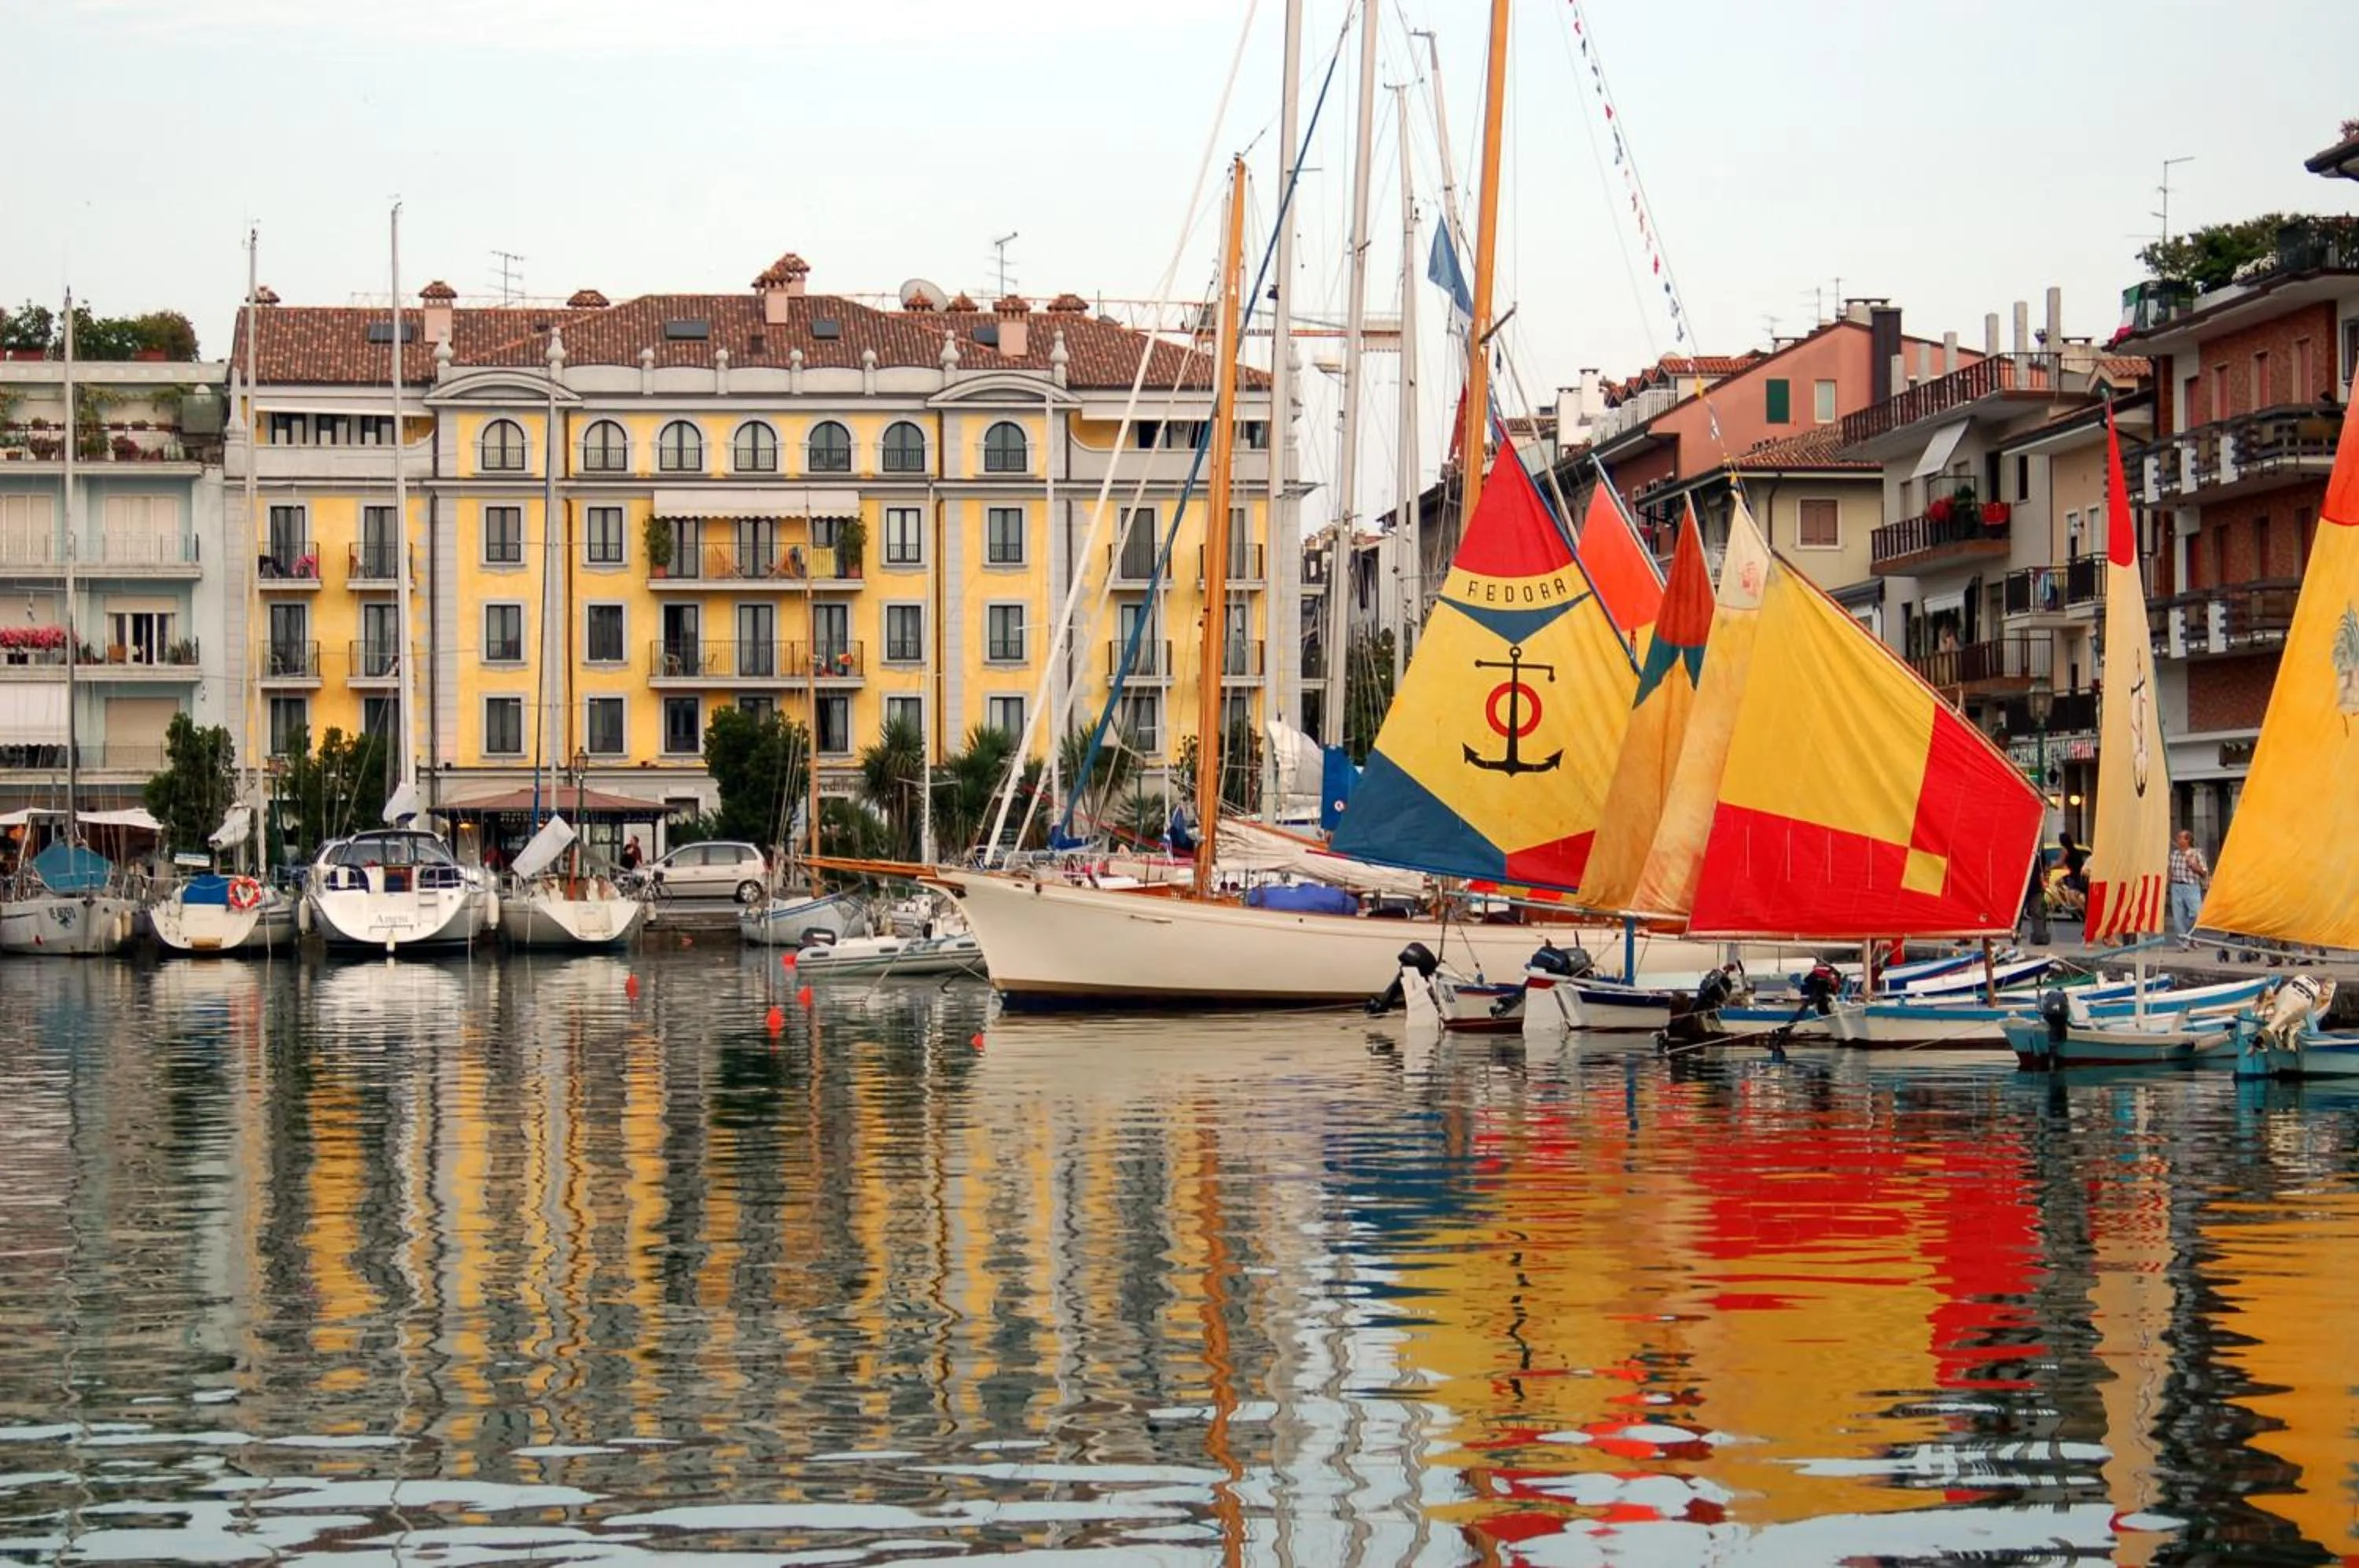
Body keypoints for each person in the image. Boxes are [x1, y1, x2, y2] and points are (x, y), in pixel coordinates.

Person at [2169, 829, 2210, 945]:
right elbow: (2170, 870)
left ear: (2187, 840)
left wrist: (2193, 866)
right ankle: (2183, 942)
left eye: (2180, 837)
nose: (2178, 839)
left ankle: (2190, 936)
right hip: (2176, 886)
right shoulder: (2174, 854)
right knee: (2178, 917)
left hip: (2191, 887)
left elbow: (2204, 872)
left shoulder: (2196, 854)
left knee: (2196, 914)